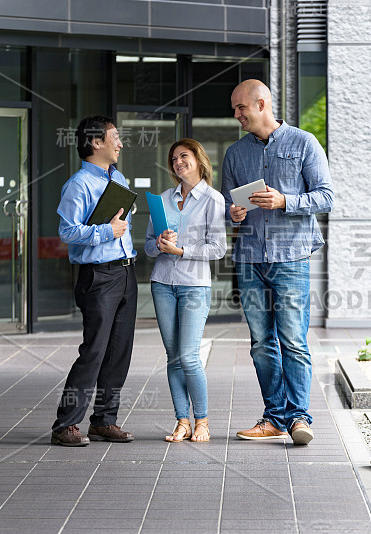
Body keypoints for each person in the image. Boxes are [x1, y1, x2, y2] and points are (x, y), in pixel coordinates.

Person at [222, 79, 333, 445]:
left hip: (292, 257)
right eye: (235, 108)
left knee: (293, 340)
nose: (236, 114)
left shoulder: (303, 143)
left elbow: (326, 197)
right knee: (260, 343)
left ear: (262, 103)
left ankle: (299, 418)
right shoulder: (235, 154)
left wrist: (286, 201)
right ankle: (274, 418)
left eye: (241, 107)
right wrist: (233, 213)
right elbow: (225, 205)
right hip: (250, 257)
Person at [51, 115, 137, 447]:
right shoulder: (79, 184)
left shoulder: (120, 179)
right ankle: (66, 425)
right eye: (114, 137)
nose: (120, 143)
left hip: (126, 272)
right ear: (95, 143)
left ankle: (104, 421)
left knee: (118, 353)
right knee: (94, 351)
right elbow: (67, 232)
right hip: (98, 277)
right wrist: (106, 231)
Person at [145, 139, 226, 443]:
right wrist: (159, 243)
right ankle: (182, 421)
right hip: (162, 283)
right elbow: (148, 246)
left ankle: (202, 421)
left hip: (194, 286)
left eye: (184, 156)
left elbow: (218, 248)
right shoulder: (163, 199)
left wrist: (181, 250)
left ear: (198, 160)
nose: (178, 162)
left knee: (189, 356)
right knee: (173, 357)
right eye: (174, 158)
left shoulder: (213, 199)